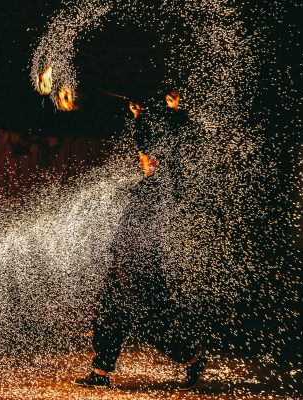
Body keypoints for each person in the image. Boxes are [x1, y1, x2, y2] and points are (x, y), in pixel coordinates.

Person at [74, 89, 208, 391]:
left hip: (139, 262)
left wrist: (153, 115)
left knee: (148, 316)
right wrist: (144, 116)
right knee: (110, 312)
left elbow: (159, 142)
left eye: (146, 157)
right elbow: (151, 142)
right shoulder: (154, 181)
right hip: (125, 258)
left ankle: (191, 357)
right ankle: (101, 372)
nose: (142, 161)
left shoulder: (165, 182)